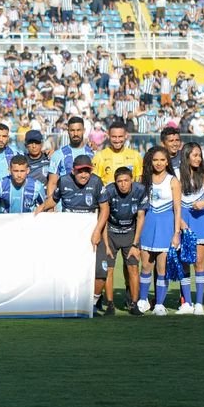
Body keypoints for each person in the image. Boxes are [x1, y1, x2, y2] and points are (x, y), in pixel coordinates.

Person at [36, 154, 110, 314]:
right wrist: (42, 207)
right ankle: (67, 303)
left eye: (87, 171)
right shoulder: (64, 181)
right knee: (67, 271)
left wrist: (97, 231)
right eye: (80, 171)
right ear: (72, 171)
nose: (84, 175)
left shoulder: (96, 182)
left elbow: (105, 208)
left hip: (93, 233)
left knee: (101, 272)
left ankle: (92, 303)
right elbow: (53, 200)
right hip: (70, 235)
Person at [132, 147, 183, 316]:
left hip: (166, 226)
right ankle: (143, 299)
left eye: (162, 160)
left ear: (167, 161)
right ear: (150, 162)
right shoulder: (144, 180)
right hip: (148, 225)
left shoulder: (173, 181)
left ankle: (160, 303)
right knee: (146, 265)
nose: (159, 163)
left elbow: (177, 208)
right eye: (155, 160)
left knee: (162, 268)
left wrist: (176, 233)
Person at [177, 142, 204, 315]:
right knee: (184, 261)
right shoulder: (177, 174)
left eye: (199, 155)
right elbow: (174, 202)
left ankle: (199, 304)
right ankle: (187, 303)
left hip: (200, 219)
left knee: (199, 262)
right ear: (186, 156)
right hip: (182, 219)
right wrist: (179, 221)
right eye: (194, 155)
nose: (198, 158)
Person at [103, 167, 144, 316]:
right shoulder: (108, 191)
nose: (123, 184)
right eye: (119, 181)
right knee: (108, 269)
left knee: (133, 268)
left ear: (132, 180)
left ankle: (134, 304)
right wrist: (106, 245)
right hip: (111, 233)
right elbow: (103, 218)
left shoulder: (140, 190)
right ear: (115, 182)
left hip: (130, 233)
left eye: (126, 180)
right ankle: (109, 305)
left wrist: (135, 244)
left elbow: (140, 218)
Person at [45, 116, 93, 201]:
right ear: (68, 131)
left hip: (87, 206)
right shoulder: (58, 155)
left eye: (78, 130)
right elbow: (52, 183)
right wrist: (51, 207)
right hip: (64, 207)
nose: (75, 134)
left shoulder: (92, 154)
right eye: (72, 130)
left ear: (84, 131)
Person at [92, 121, 142, 188]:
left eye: (120, 136)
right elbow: (94, 182)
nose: (117, 140)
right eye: (114, 137)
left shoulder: (136, 156)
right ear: (108, 136)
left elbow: (139, 181)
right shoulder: (99, 156)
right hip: (108, 197)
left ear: (126, 135)